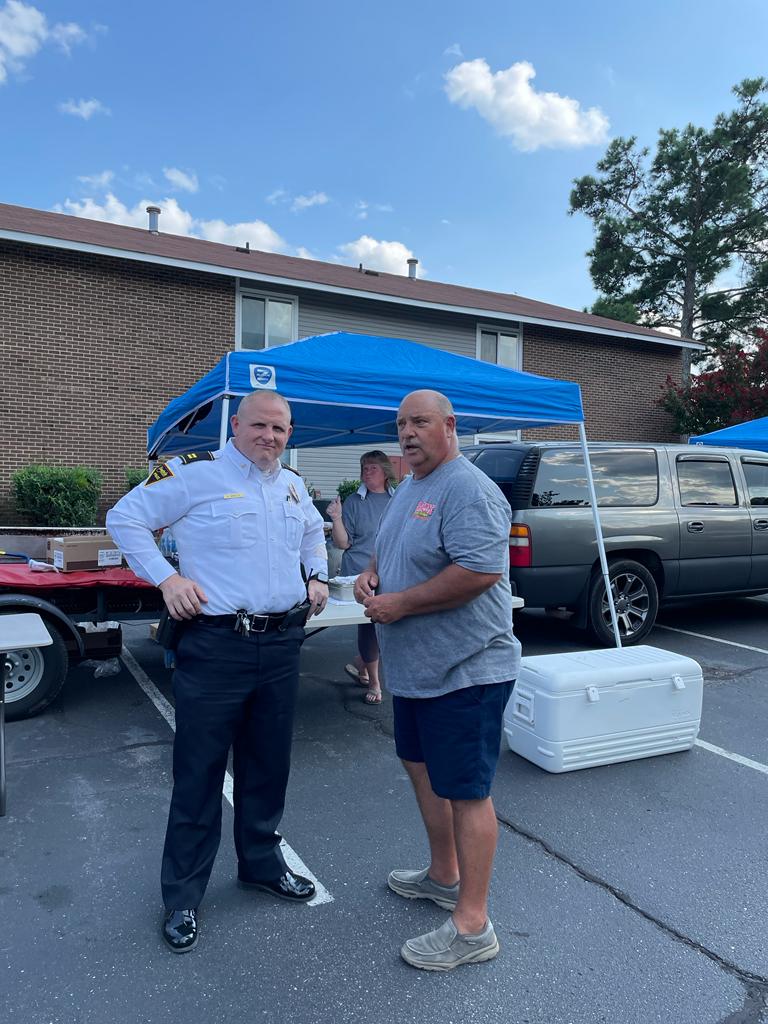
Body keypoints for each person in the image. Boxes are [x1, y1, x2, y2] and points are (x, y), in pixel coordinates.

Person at [107, 390, 329, 954]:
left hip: (281, 644)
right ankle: (182, 894)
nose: (270, 437)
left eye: (280, 429)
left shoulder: (292, 483)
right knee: (200, 773)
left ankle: (260, 864)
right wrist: (166, 578)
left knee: (268, 766)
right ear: (236, 425)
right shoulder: (194, 474)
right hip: (216, 647)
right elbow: (125, 518)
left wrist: (318, 575)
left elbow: (311, 531)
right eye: (259, 426)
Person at [353, 389, 520, 972]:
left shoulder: (469, 488)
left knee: (467, 791)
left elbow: (479, 570)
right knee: (423, 772)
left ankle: (473, 927)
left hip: (467, 669)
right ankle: (444, 876)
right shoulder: (411, 487)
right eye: (400, 424)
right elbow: (388, 550)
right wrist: (371, 578)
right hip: (420, 672)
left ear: (449, 426)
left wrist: (400, 604)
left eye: (419, 422)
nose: (407, 433)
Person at [327, 450, 397, 704]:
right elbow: (343, 543)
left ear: (386, 471)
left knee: (387, 626)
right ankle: (375, 683)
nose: (367, 472)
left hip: (389, 572)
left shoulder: (398, 499)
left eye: (372, 468)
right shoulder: (355, 502)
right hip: (357, 574)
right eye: (364, 468)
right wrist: (336, 518)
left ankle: (362, 663)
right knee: (370, 626)